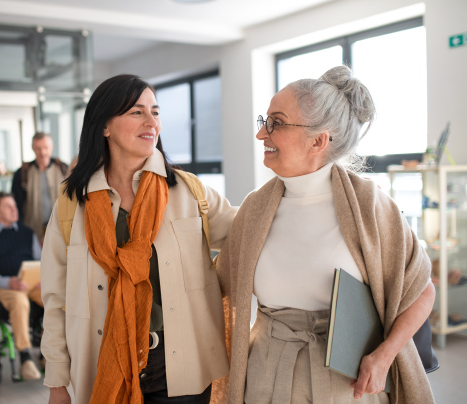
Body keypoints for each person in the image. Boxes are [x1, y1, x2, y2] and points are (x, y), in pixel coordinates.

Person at [217, 65, 436, 404]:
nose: (262, 135)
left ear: (318, 140)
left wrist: (384, 357)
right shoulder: (255, 209)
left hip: (348, 379)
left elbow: (422, 291)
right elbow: (222, 287)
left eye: (276, 123)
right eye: (264, 122)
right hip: (265, 373)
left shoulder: (370, 207)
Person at [40, 74, 238, 404]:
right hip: (103, 363)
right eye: (136, 112)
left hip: (182, 368)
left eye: (155, 111)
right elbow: (55, 299)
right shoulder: (71, 203)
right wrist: (57, 383)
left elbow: (249, 231)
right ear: (104, 126)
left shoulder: (188, 192)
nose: (151, 122)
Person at [0, 191, 44, 380]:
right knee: (20, 301)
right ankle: (26, 358)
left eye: (14, 205)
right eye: (8, 206)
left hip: (31, 285)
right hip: (4, 287)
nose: (14, 209)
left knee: (55, 298)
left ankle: (49, 353)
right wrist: (8, 282)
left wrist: (42, 278)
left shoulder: (27, 233)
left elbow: (41, 260)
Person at [11, 132, 69, 242]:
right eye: (38, 148)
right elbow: (17, 204)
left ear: (51, 147)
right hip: (31, 231)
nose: (42, 152)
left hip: (61, 230)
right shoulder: (22, 173)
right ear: (33, 148)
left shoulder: (64, 169)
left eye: (45, 147)